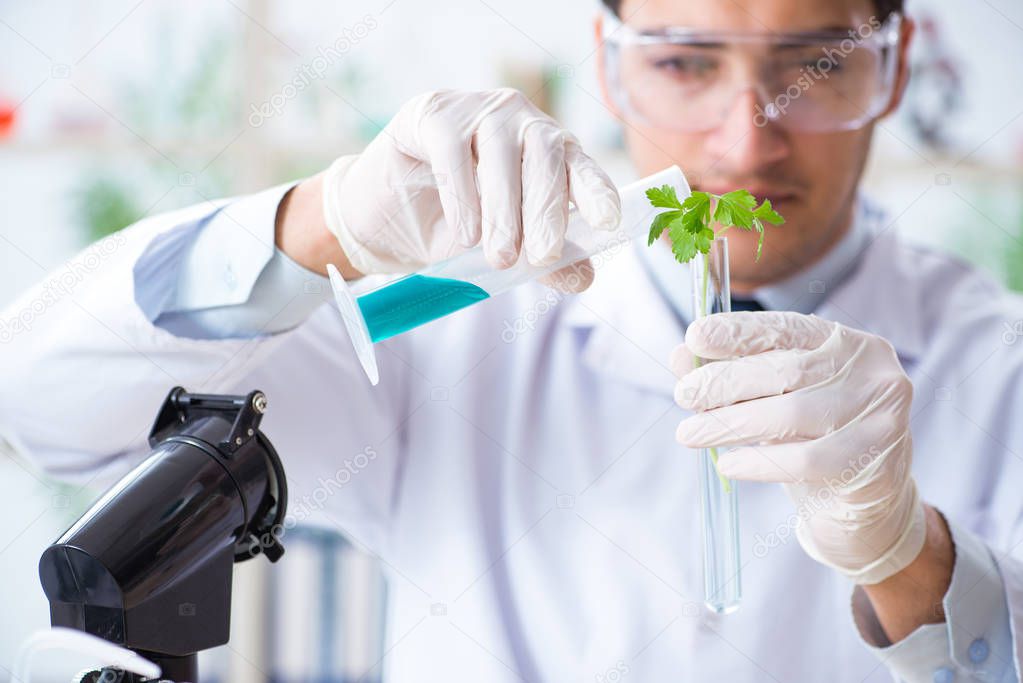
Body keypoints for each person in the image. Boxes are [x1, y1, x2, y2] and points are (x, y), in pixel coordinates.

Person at [3, 0, 1021, 680]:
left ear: (893, 72)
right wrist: (319, 224)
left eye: (820, 65)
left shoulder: (999, 365)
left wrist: (908, 556)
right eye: (682, 62)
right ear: (611, 72)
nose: (747, 139)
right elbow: (40, 403)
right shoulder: (455, 324)